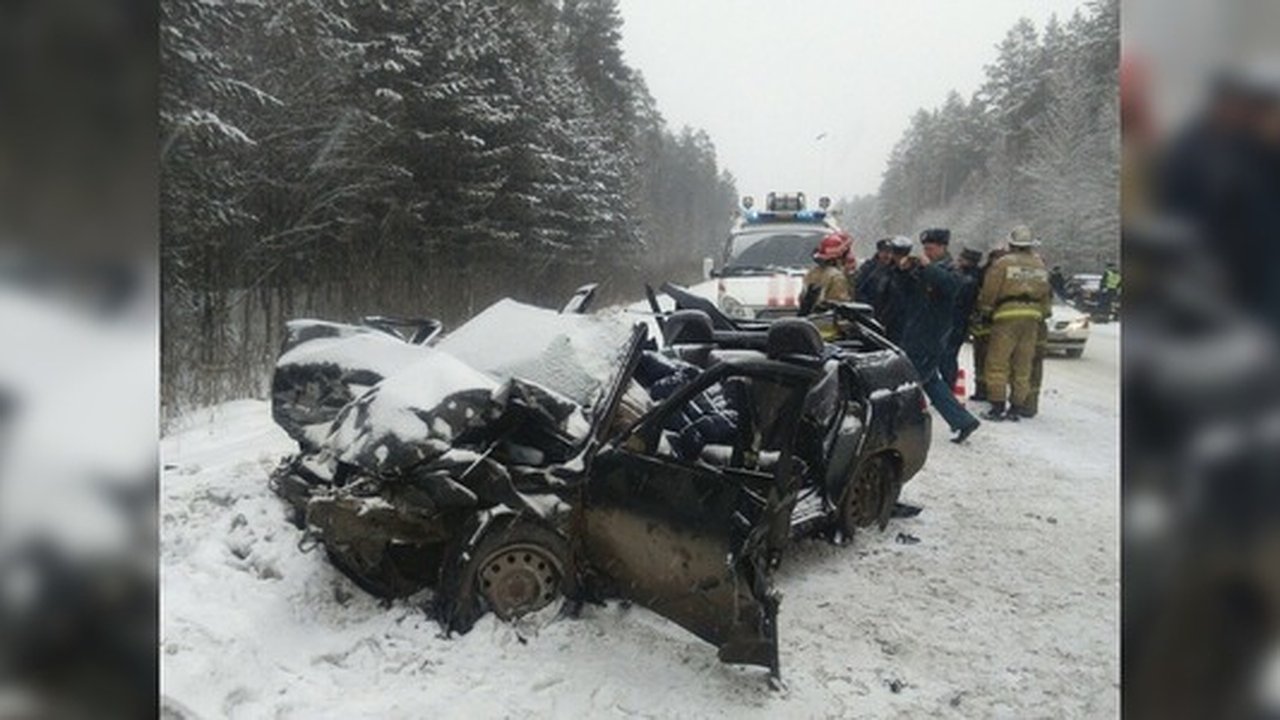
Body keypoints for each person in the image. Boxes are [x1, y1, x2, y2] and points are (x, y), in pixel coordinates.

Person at [884, 232, 981, 443]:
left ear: (943, 247)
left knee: (907, 377)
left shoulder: (950, 268)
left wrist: (927, 267)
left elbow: (952, 287)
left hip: (932, 333)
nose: (927, 252)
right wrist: (903, 271)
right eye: (925, 248)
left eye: (931, 248)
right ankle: (963, 421)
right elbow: (907, 293)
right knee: (929, 380)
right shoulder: (927, 268)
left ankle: (894, 423)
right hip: (916, 330)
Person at [976, 226, 1052, 421]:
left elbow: (990, 290)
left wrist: (986, 311)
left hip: (1006, 317)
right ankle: (1016, 408)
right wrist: (1042, 314)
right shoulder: (1040, 265)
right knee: (1023, 364)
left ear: (1011, 243)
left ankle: (997, 406)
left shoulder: (1003, 263)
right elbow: (1045, 294)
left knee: (997, 363)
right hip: (1032, 318)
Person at [968, 247, 1007, 403]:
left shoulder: (1004, 276)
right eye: (995, 258)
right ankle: (981, 390)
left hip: (998, 325)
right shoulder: (982, 274)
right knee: (980, 358)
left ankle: (993, 392)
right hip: (982, 323)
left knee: (995, 362)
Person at [800, 231, 852, 311]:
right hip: (828, 321)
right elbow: (841, 305)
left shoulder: (812, 273)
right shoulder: (837, 277)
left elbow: (802, 298)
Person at [854, 238, 894, 308]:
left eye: (890, 252)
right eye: (884, 252)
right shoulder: (869, 268)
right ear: (879, 252)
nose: (887, 255)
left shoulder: (895, 270)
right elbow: (859, 289)